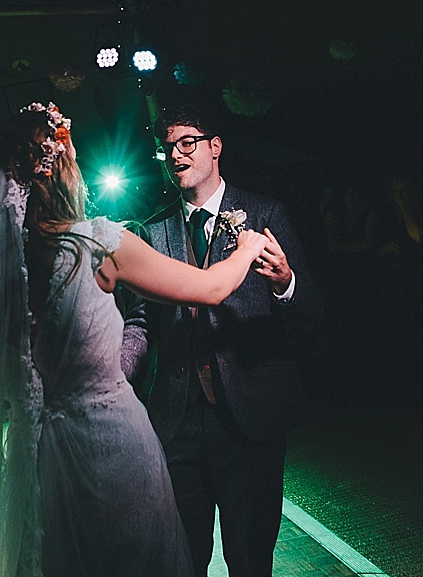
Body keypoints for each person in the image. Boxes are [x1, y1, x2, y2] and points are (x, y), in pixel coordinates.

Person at [0, 103, 270, 577]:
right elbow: (209, 288)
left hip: (40, 450)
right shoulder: (96, 244)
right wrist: (247, 248)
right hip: (111, 444)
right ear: (57, 169)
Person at [121, 104, 320, 577]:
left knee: (251, 559)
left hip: (250, 417)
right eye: (167, 147)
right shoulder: (152, 230)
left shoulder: (266, 213)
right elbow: (142, 322)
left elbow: (312, 308)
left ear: (215, 147)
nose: (176, 154)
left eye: (187, 142)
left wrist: (285, 282)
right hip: (177, 421)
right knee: (182, 558)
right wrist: (109, 378)